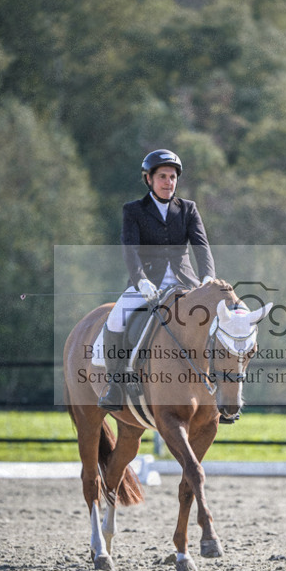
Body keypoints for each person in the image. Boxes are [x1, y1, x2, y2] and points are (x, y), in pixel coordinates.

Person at [98, 149, 216, 409]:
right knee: (116, 319)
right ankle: (115, 386)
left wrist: (208, 276)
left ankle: (219, 385)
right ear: (148, 179)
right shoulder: (134, 211)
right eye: (162, 176)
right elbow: (129, 250)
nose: (168, 182)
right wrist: (140, 281)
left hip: (185, 284)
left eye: (172, 177)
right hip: (147, 284)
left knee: (216, 322)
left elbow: (201, 247)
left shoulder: (188, 209)